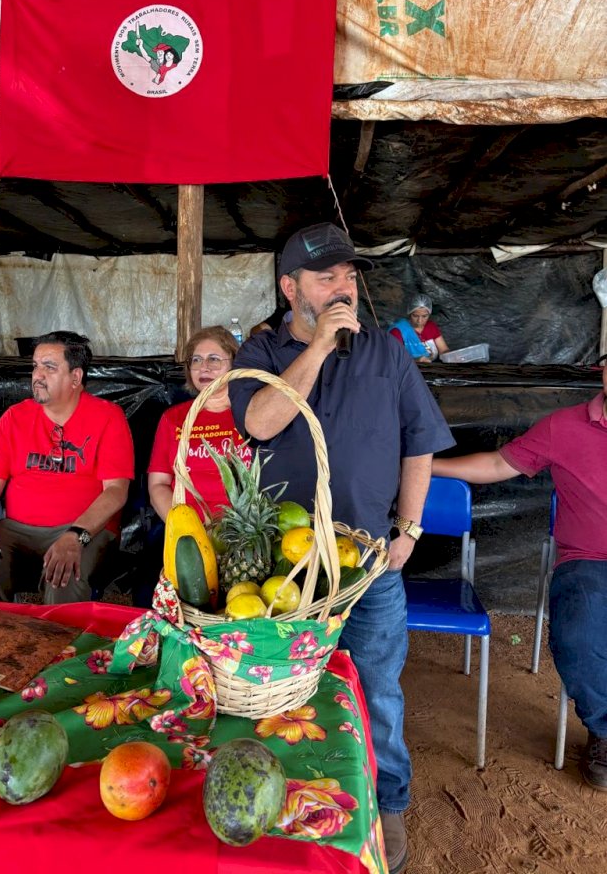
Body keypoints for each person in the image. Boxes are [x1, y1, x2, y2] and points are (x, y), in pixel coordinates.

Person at [229, 222, 454, 874]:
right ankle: (289, 800)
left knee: (376, 690)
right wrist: (321, 345)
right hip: (283, 569)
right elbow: (260, 421)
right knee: (282, 691)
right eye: (327, 278)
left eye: (349, 277)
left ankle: (388, 806)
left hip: (368, 567)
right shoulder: (261, 349)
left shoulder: (387, 351)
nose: (343, 288)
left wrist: (409, 529)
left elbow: (421, 441)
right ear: (289, 287)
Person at [432, 353, 607, 792]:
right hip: (589, 561)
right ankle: (605, 731)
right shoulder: (564, 426)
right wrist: (421, 465)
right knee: (580, 635)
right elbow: (497, 465)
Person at [0, 331, 134, 604]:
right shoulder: (15, 417)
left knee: (65, 577)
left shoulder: (108, 417)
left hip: (85, 529)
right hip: (16, 530)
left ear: (76, 377)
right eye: (35, 366)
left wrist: (76, 536)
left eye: (49, 367)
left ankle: (64, 648)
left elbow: (116, 491)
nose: (38, 375)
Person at [148, 326, 251, 522]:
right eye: (196, 360)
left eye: (214, 359)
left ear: (235, 365)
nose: (204, 367)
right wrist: (185, 527)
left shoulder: (252, 412)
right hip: (189, 531)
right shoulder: (174, 418)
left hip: (244, 531)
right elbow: (158, 484)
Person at [389, 294, 449, 363]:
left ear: (429, 314)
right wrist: (416, 361)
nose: (419, 321)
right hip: (408, 371)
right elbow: (394, 359)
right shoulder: (398, 331)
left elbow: (444, 350)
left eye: (424, 316)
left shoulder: (431, 327)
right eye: (415, 316)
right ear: (409, 313)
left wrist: (450, 356)